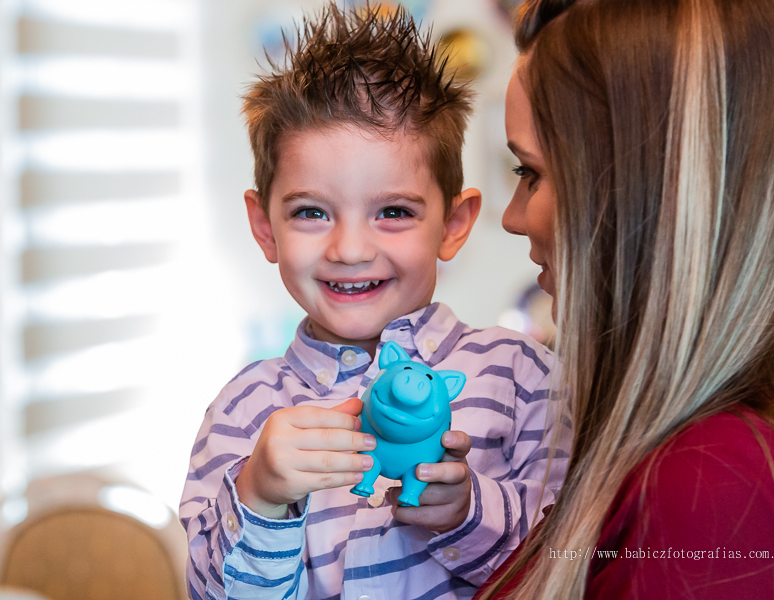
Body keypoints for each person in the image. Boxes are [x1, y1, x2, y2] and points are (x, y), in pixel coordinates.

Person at [179, 4, 571, 599]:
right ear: (264, 227)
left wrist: (467, 513)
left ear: (453, 224)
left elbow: (575, 558)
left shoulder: (521, 377)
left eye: (393, 211)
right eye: (312, 212)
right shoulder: (244, 410)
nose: (351, 249)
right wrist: (259, 496)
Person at [473, 0, 774, 598]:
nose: (512, 217)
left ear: (639, 198)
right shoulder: (684, 464)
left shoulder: (714, 487)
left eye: (530, 173)